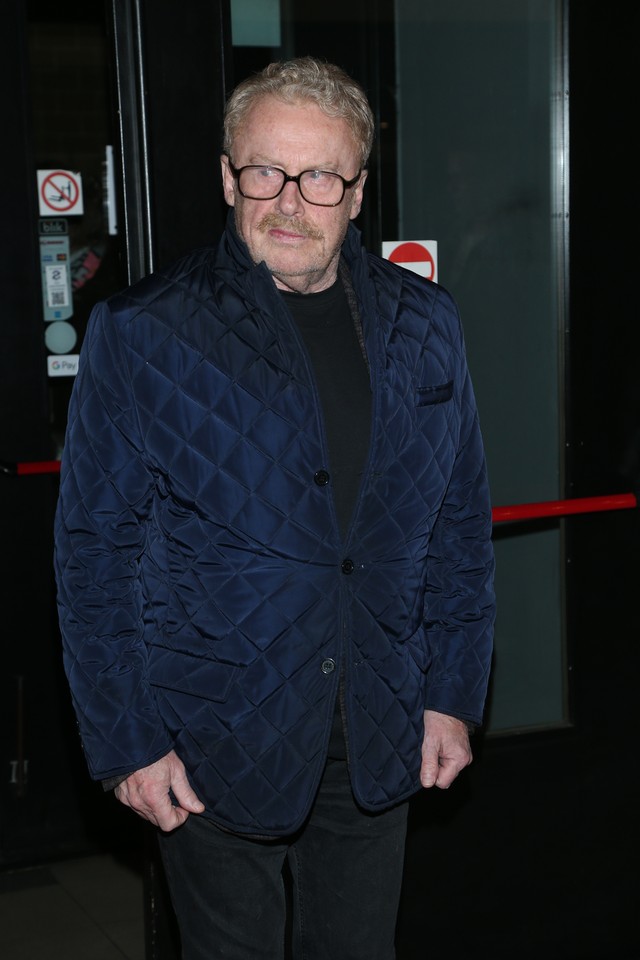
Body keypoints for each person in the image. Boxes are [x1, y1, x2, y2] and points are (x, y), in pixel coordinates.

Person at [54, 56, 495, 960]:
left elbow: (459, 531)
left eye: (321, 176)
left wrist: (452, 693)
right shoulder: (142, 332)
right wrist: (127, 741)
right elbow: (94, 555)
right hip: (212, 738)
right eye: (266, 171)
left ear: (357, 193)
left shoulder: (429, 324)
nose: (291, 202)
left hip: (378, 731)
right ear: (228, 178)